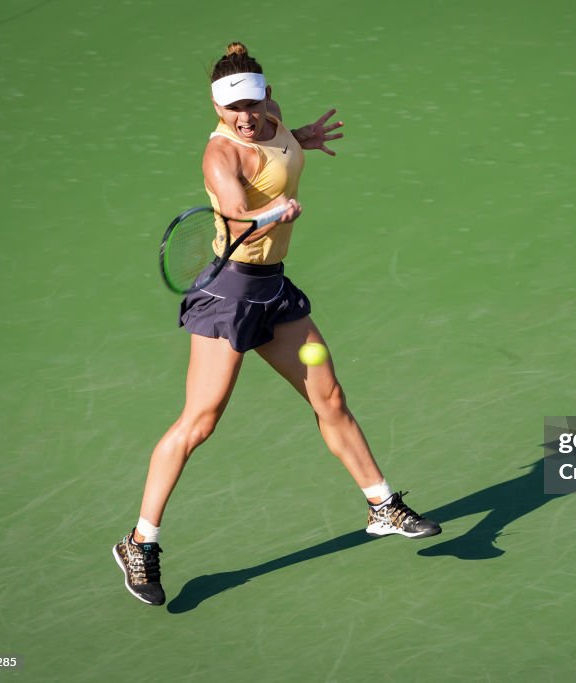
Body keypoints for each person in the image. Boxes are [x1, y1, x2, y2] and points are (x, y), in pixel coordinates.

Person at [113, 42, 440, 607]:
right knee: (200, 420)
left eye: (254, 101)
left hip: (273, 288)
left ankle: (382, 505)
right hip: (229, 294)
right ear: (217, 109)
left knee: (330, 398)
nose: (247, 115)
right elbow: (239, 210)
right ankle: (140, 542)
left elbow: (279, 152)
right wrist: (272, 212)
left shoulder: (271, 115)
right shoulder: (221, 155)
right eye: (234, 108)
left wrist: (302, 141)